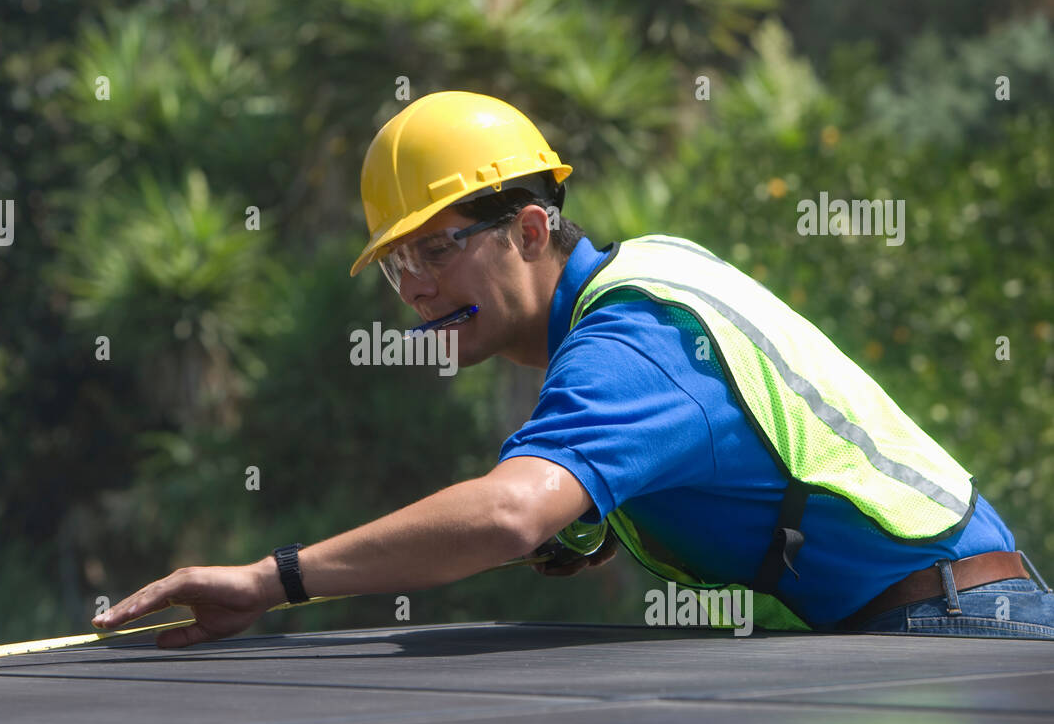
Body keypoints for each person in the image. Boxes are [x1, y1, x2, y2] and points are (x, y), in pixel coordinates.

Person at [93, 90, 1054, 645]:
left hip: (956, 626)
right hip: (941, 616)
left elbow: (512, 514)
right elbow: (729, 456)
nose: (417, 289)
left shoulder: (629, 338)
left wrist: (270, 581)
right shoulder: (652, 277)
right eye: (398, 264)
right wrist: (595, 523)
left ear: (530, 228)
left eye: (440, 249)